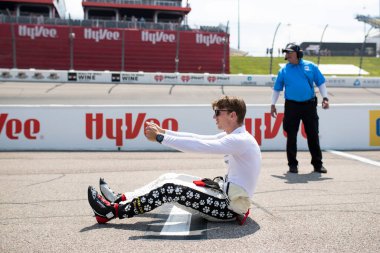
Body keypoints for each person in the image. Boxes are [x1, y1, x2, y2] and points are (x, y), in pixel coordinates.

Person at [87, 96, 261, 225]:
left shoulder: (239, 140)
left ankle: (111, 212)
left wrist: (161, 138)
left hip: (229, 208)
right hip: (225, 197)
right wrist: (164, 132)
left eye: (217, 113)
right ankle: (121, 199)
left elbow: (199, 145)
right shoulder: (237, 136)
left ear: (232, 115)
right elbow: (196, 137)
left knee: (169, 189)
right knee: (168, 177)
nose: (214, 117)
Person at [270, 43, 329, 174]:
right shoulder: (283, 70)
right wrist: (273, 105)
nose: (287, 55)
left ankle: (318, 164)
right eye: (286, 52)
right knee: (291, 136)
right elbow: (276, 89)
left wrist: (325, 98)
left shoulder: (311, 66)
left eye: (290, 52)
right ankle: (292, 165)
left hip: (309, 105)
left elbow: (321, 82)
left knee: (313, 135)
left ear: (298, 53)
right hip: (292, 106)